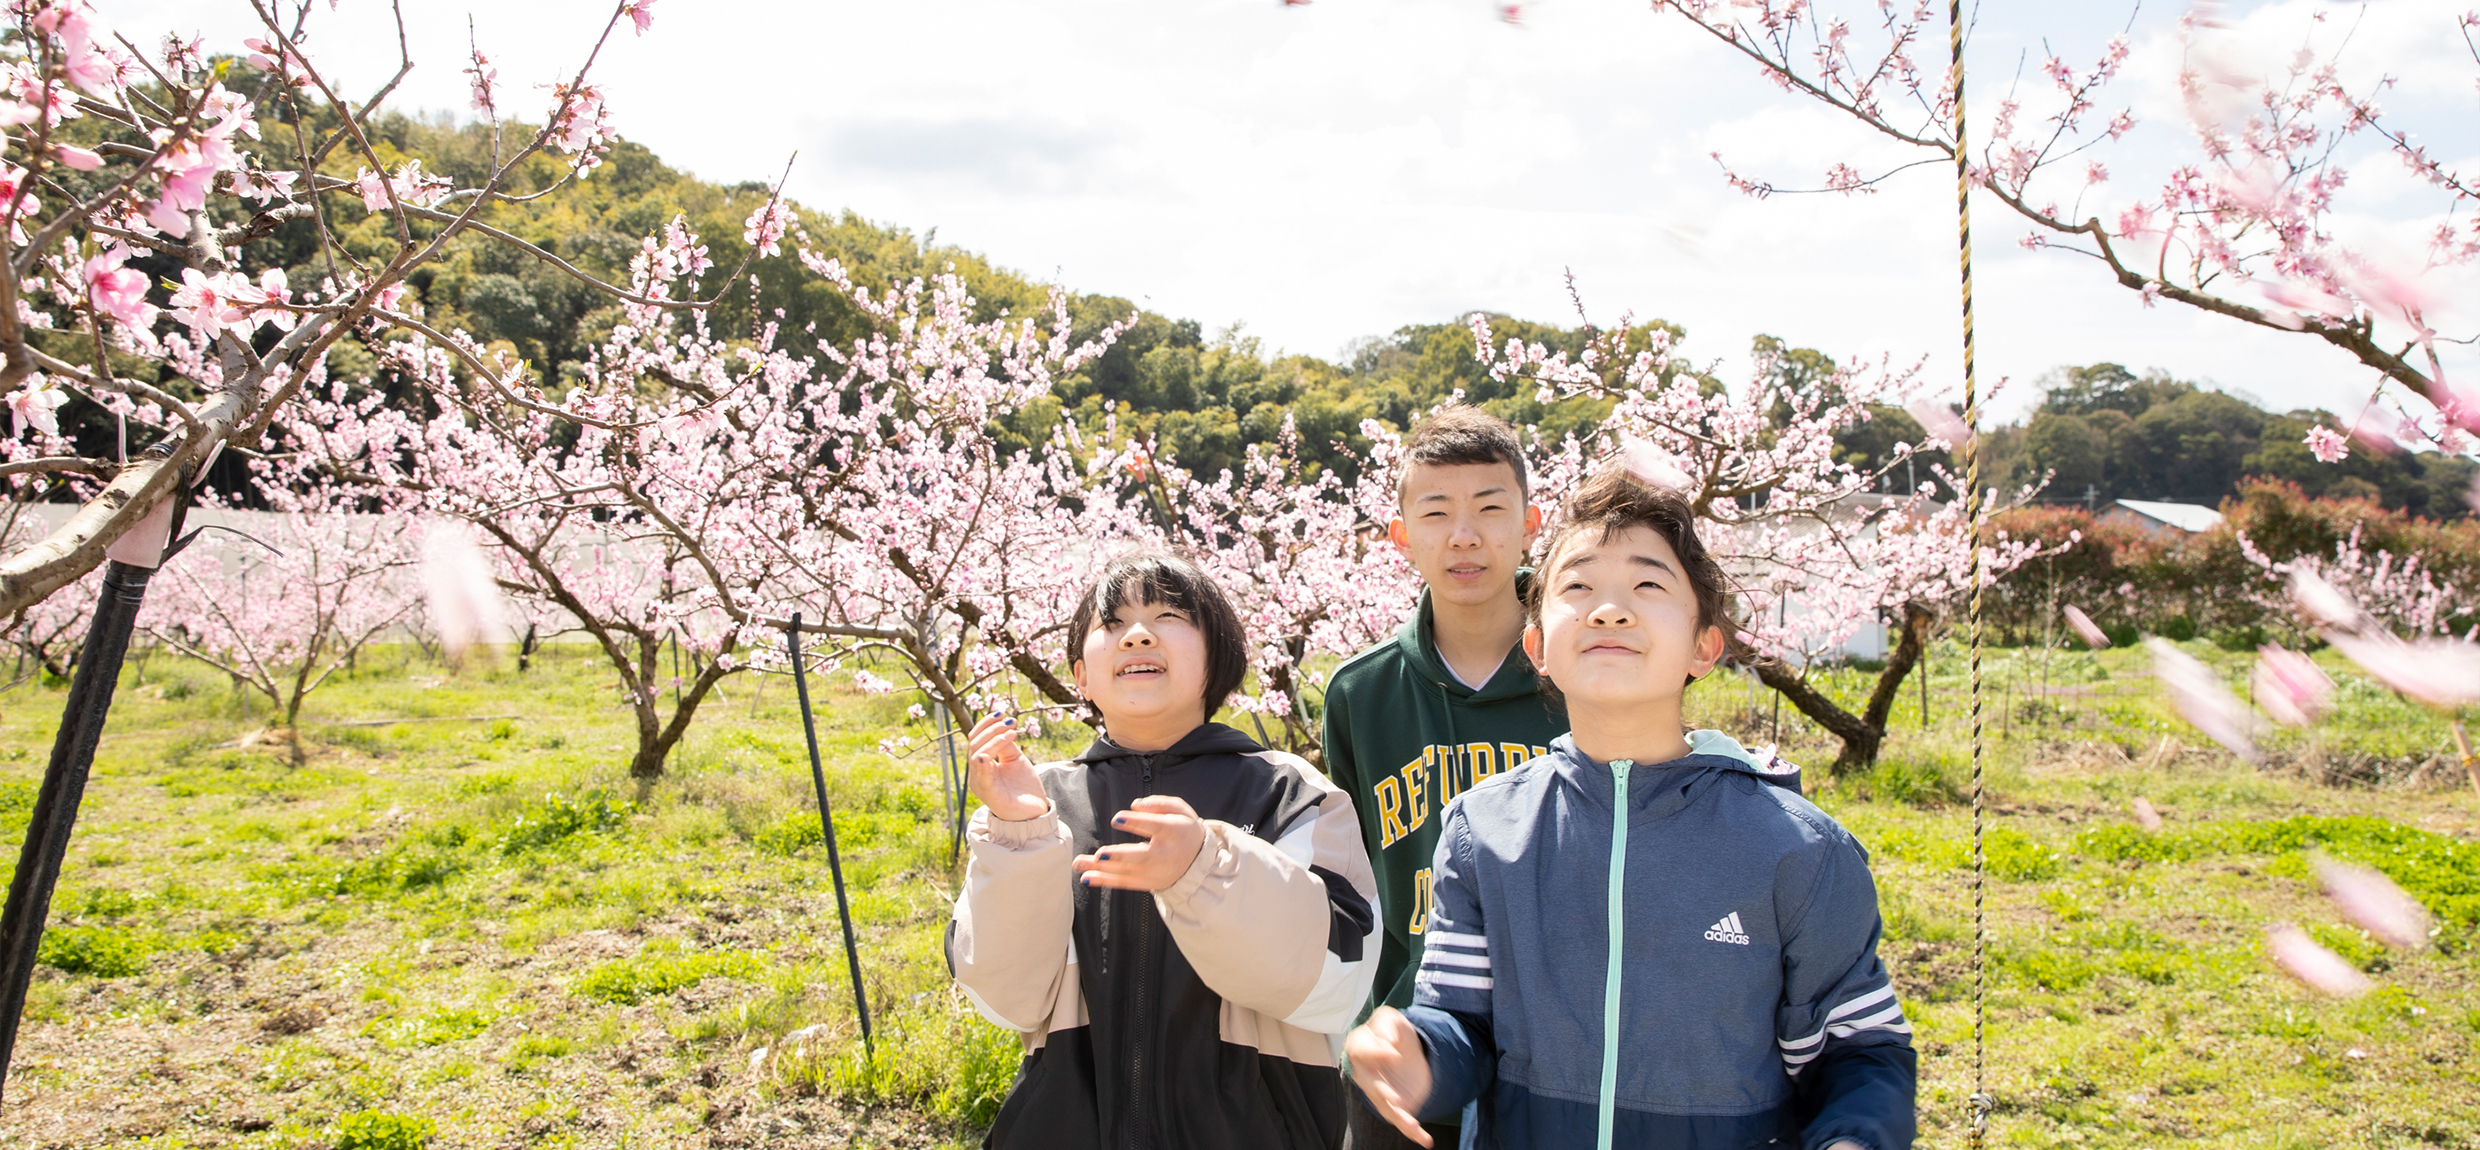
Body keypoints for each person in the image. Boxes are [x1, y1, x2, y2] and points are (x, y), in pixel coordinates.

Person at [1343, 469, 1918, 1150]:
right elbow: (1463, 1022)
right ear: (1538, 650)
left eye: (1648, 586)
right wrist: (1416, 1049)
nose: (1608, 611)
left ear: (1705, 646)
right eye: (1578, 587)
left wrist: (1857, 1136)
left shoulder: (1797, 849)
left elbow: (1860, 1048)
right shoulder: (1483, 833)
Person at [948, 548, 1381, 1150]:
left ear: (1218, 659)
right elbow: (1007, 1000)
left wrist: (1205, 870)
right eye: (1112, 623)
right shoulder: (1043, 801)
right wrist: (1020, 836)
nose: (1138, 636)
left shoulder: (1288, 793)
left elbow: (1338, 980)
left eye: (1171, 616)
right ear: (1079, 675)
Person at [1320, 406, 1566, 1149]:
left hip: (1563, 1058)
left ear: (1532, 521)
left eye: (1491, 508)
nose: (1465, 536)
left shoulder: (1584, 676)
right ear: (1402, 536)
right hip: (1408, 1052)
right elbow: (1350, 884)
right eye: (1436, 513)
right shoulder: (1361, 695)